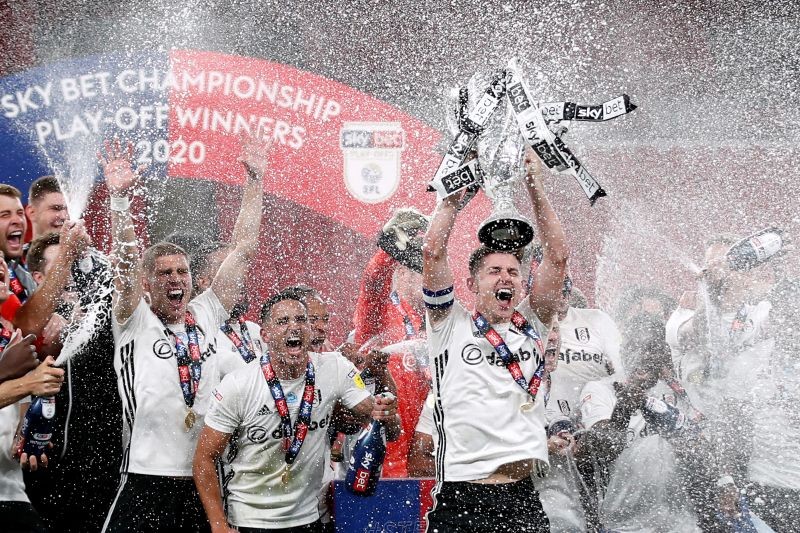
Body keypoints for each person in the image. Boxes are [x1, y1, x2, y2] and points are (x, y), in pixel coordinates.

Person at [99, 135, 266, 533]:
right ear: (146, 282)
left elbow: (242, 248)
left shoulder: (206, 312)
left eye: (183, 272)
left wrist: (256, 181)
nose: (176, 280)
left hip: (202, 479)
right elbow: (123, 262)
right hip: (144, 477)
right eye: (164, 273)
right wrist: (119, 202)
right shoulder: (133, 317)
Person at [421, 149, 568, 532]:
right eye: (493, 272)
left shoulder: (533, 325)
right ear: (472, 284)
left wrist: (535, 187)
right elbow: (432, 251)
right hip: (461, 496)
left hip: (521, 498)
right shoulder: (448, 326)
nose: (505, 278)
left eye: (513, 272)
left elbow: (558, 258)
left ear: (522, 284)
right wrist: (452, 200)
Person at [193, 290, 400, 532]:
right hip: (250, 520)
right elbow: (203, 459)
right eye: (283, 321)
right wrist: (218, 525)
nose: (295, 327)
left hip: (309, 519)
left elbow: (385, 423)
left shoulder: (334, 368)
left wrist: (385, 411)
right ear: (265, 335)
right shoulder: (239, 385)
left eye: (301, 320)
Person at [22, 230, 123, 533]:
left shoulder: (99, 320)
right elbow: (36, 342)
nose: (68, 277)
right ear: (38, 278)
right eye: (59, 268)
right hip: (47, 469)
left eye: (72, 265)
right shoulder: (26, 322)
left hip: (107, 468)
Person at [350, 208, 429, 478]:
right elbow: (373, 285)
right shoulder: (383, 315)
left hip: (425, 455)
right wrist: (388, 252)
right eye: (423, 269)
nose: (431, 277)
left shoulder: (436, 324)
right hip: (385, 458)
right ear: (404, 272)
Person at [0, 255, 62, 533]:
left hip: (12, 491)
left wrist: (25, 435)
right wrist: (27, 382)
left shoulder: (10, 333)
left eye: (1, 259)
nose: (2, 267)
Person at [0, 184, 36, 319]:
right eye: (5, 215)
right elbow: (29, 325)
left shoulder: (21, 272)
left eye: (20, 213)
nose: (18, 220)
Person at [25, 176, 68, 241]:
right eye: (55, 208)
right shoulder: (17, 251)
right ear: (32, 212)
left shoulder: (85, 250)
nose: (63, 216)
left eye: (67, 209)